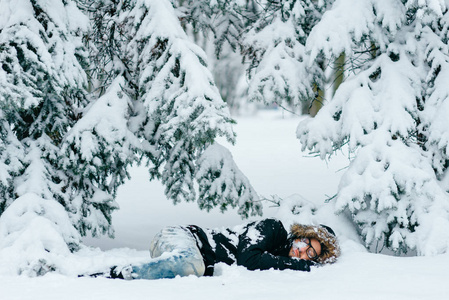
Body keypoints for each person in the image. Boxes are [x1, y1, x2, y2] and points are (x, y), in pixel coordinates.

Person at [109, 218, 340, 280]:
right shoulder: (272, 228)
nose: (302, 253)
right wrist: (297, 264)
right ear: (299, 236)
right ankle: (124, 273)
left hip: (183, 256)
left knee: (192, 268)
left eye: (311, 255)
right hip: (182, 237)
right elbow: (247, 259)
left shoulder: (276, 260)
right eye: (304, 245)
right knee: (191, 264)